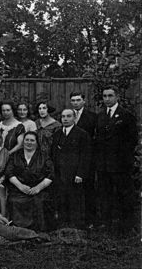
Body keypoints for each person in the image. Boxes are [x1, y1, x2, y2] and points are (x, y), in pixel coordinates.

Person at [95, 85, 138, 234]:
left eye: (110, 96)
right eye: (105, 96)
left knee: (124, 195)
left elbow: (132, 141)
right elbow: (99, 140)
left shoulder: (126, 115)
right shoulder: (100, 116)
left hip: (120, 165)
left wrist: (122, 160)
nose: (107, 99)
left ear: (117, 97)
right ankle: (106, 225)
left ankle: (126, 226)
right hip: (104, 165)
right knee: (105, 195)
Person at [6, 131, 55, 232]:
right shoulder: (15, 155)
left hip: (39, 189)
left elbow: (50, 175)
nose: (29, 142)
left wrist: (38, 188)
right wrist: (21, 186)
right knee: (14, 201)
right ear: (23, 141)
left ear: (37, 142)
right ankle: (19, 230)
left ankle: (38, 231)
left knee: (39, 202)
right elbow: (9, 173)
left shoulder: (44, 156)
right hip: (19, 188)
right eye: (27, 140)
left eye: (32, 140)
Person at [52, 109, 91, 229]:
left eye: (68, 116)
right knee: (62, 198)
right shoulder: (57, 133)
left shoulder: (82, 134)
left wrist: (80, 174)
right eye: (63, 116)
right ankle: (63, 224)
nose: (65, 119)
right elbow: (53, 154)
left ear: (74, 118)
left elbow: (86, 156)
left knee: (75, 199)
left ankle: (76, 225)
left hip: (75, 174)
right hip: (60, 173)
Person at [69, 91, 97, 226]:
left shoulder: (92, 117)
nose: (75, 103)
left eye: (78, 100)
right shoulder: (66, 116)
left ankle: (90, 220)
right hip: (70, 159)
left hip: (87, 159)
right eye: (73, 100)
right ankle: (74, 219)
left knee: (88, 189)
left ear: (84, 101)